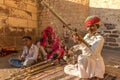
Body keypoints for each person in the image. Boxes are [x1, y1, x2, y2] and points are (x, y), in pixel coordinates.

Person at [64, 15, 105, 80]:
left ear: (97, 27)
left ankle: (85, 76)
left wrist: (82, 40)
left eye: (92, 26)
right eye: (88, 27)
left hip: (95, 61)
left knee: (81, 57)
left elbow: (93, 52)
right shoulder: (87, 36)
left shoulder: (100, 38)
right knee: (68, 68)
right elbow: (82, 46)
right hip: (86, 61)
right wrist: (72, 49)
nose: (89, 28)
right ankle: (85, 74)